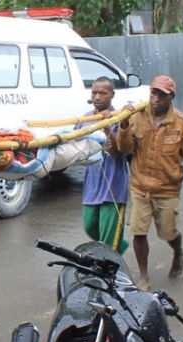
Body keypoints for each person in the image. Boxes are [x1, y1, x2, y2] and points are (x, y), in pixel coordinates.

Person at [117, 75, 183, 291]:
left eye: (162, 94)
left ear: (171, 97)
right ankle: (143, 276)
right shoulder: (136, 117)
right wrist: (123, 125)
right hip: (140, 187)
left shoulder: (182, 124)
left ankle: (177, 250)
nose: (156, 98)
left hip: (167, 190)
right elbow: (124, 149)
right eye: (154, 93)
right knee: (138, 232)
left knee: (168, 233)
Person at [75, 76, 129, 254]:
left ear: (112, 95)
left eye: (103, 93)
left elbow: (118, 150)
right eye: (94, 93)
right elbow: (76, 144)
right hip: (93, 182)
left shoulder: (119, 116)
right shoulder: (85, 119)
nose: (98, 96)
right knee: (89, 225)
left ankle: (111, 262)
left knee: (108, 234)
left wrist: (106, 125)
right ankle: (118, 246)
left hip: (113, 183)